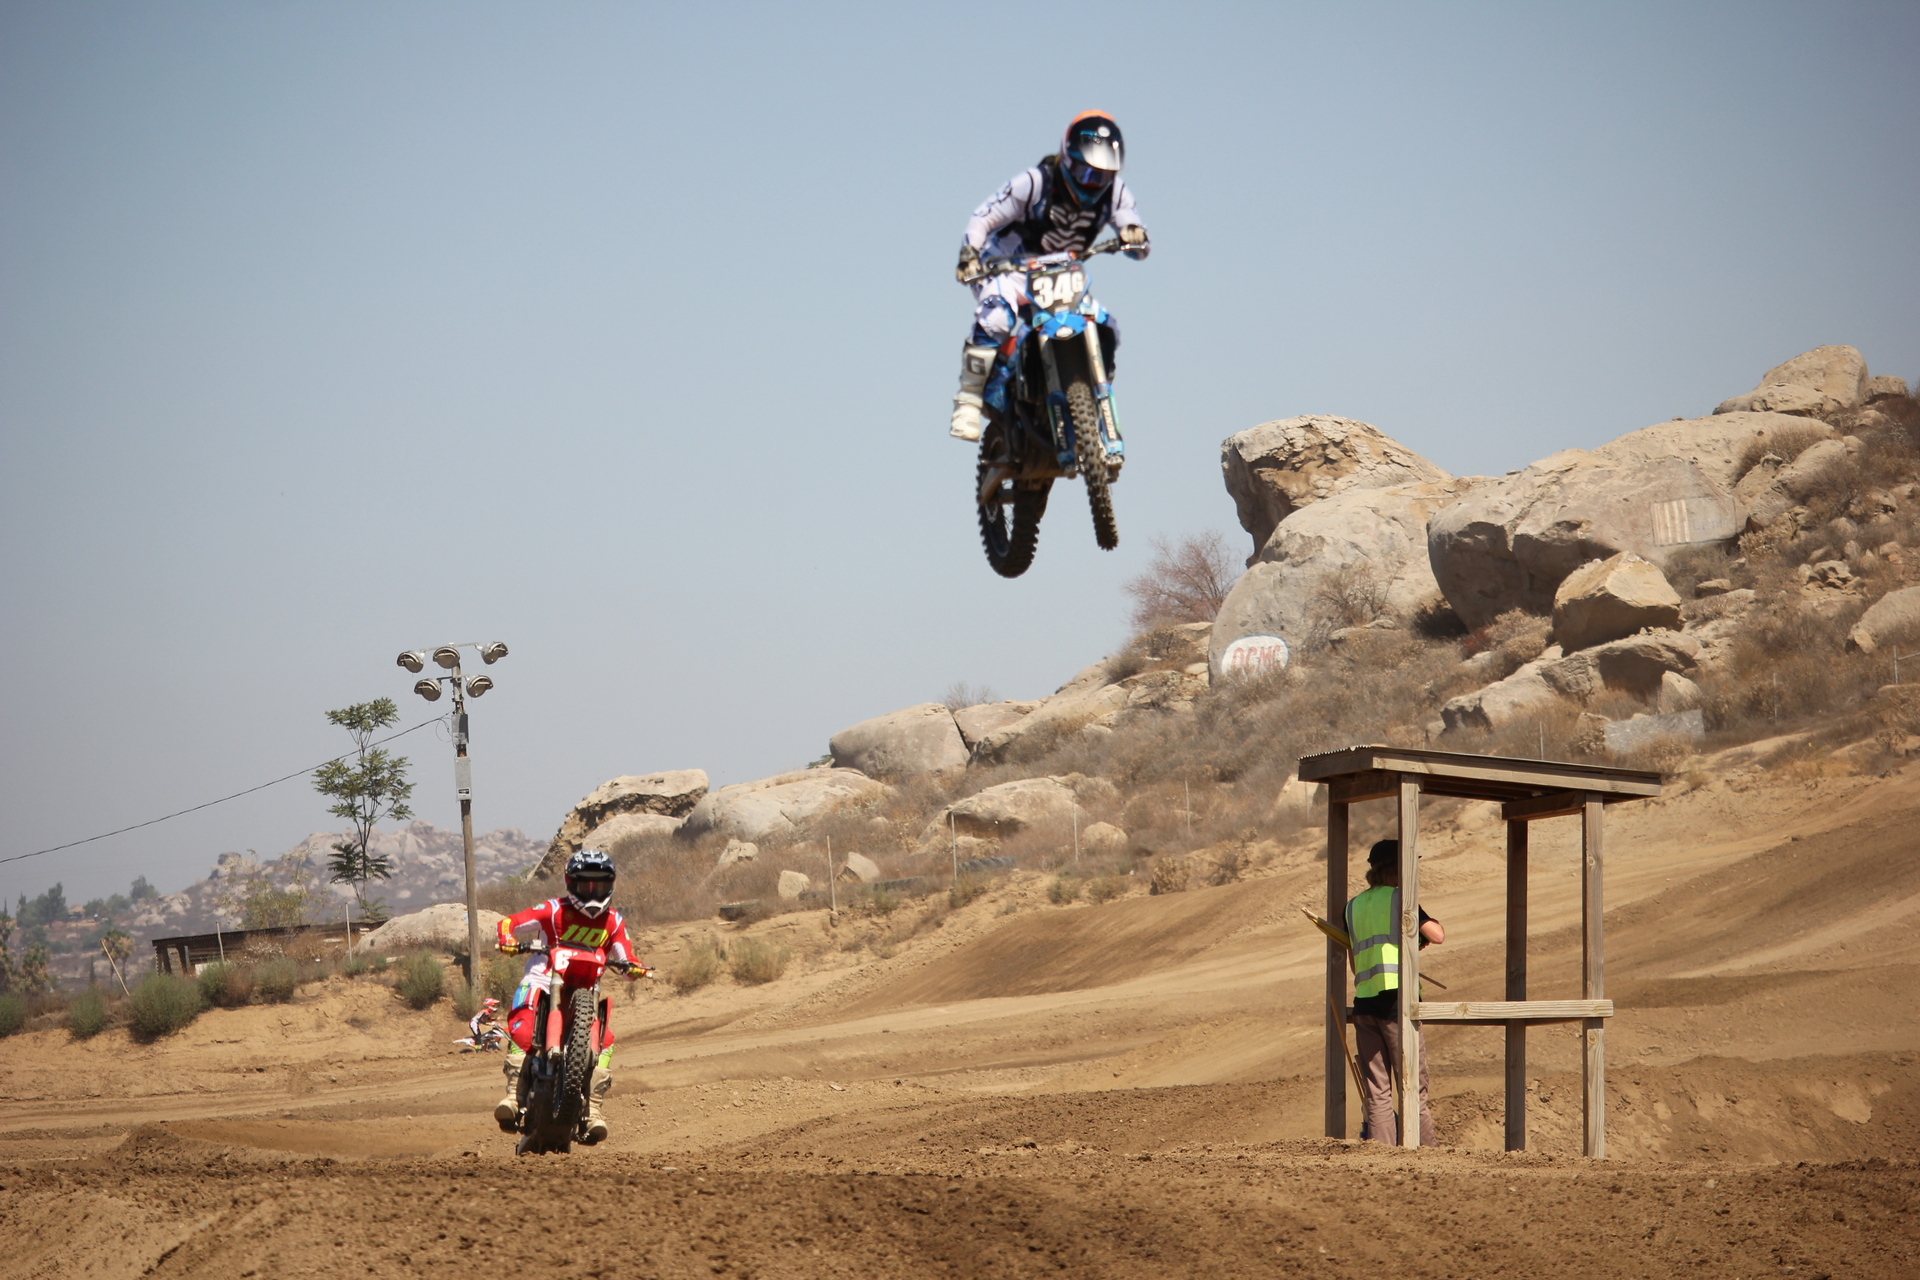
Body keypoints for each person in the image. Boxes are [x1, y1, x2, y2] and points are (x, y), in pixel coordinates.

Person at [948, 110, 1151, 442]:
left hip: (1062, 271)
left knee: (1107, 326)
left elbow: (1135, 230)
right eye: (1085, 171)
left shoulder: (1115, 193)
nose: (1092, 182)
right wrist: (969, 253)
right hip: (1010, 265)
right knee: (996, 317)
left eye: (1101, 175)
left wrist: (1134, 234)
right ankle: (968, 402)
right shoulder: (1033, 183)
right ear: (1067, 159)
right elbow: (982, 218)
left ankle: (1088, 394)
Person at [492, 848, 644, 1144]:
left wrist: (634, 967)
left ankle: (593, 1110)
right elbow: (509, 922)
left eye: (599, 885)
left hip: (584, 990)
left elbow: (626, 957)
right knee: (523, 1021)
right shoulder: (553, 910)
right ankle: (513, 1094)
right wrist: (508, 939)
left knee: (606, 1041)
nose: (592, 891)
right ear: (571, 883)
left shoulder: (613, 921)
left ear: (611, 884)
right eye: (585, 884)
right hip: (544, 979)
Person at [1344, 838, 1445, 1146]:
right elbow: (1437, 935)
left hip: (1364, 1003)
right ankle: (1426, 1154)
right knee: (1413, 1087)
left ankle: (1382, 1156)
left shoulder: (1352, 906)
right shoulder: (1400, 898)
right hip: (1396, 1004)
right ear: (1398, 868)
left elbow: (1355, 961)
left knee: (1377, 1091)